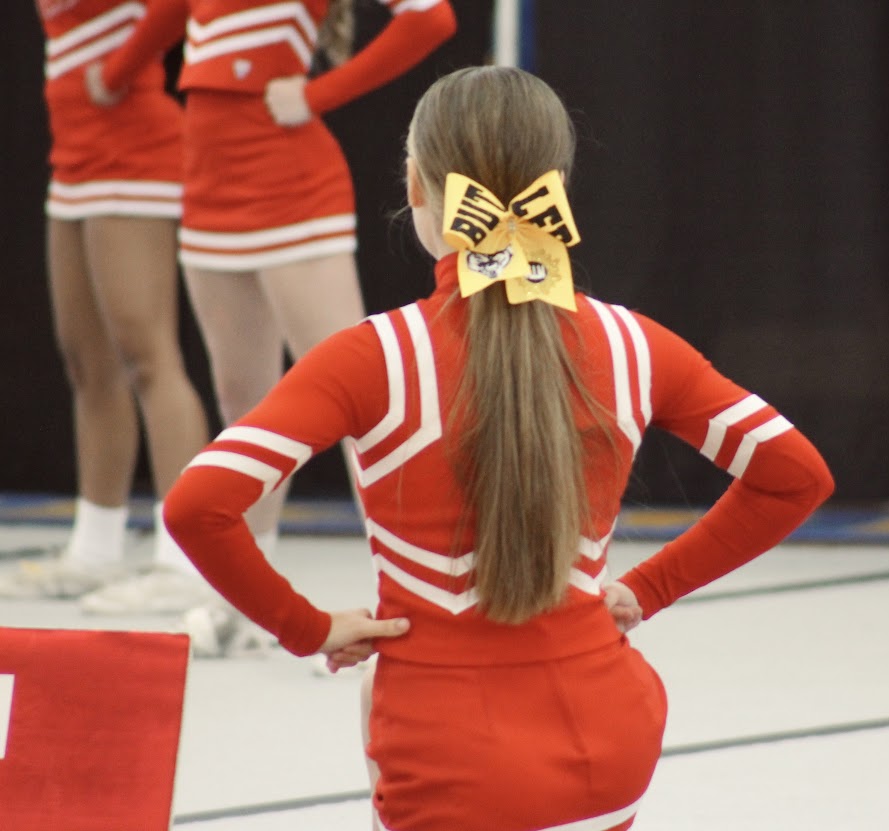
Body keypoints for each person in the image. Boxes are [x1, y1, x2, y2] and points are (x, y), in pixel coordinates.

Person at [163, 66, 835, 830]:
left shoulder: (374, 356)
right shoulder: (632, 342)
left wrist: (306, 626)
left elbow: (197, 504)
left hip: (444, 755)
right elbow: (796, 476)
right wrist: (648, 588)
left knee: (371, 701)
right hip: (612, 744)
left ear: (416, 186)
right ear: (558, 187)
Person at [77, 0, 457, 635]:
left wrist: (317, 94)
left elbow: (431, 17)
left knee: (364, 407)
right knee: (248, 411)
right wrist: (116, 74)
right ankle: (242, 611)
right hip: (207, 186)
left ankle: (416, 603)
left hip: (291, 188)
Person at [0, 1, 210, 601]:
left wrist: (121, 71)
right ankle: (95, 548)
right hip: (73, 155)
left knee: (149, 357)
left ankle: (185, 562)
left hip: (134, 151)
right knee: (87, 365)